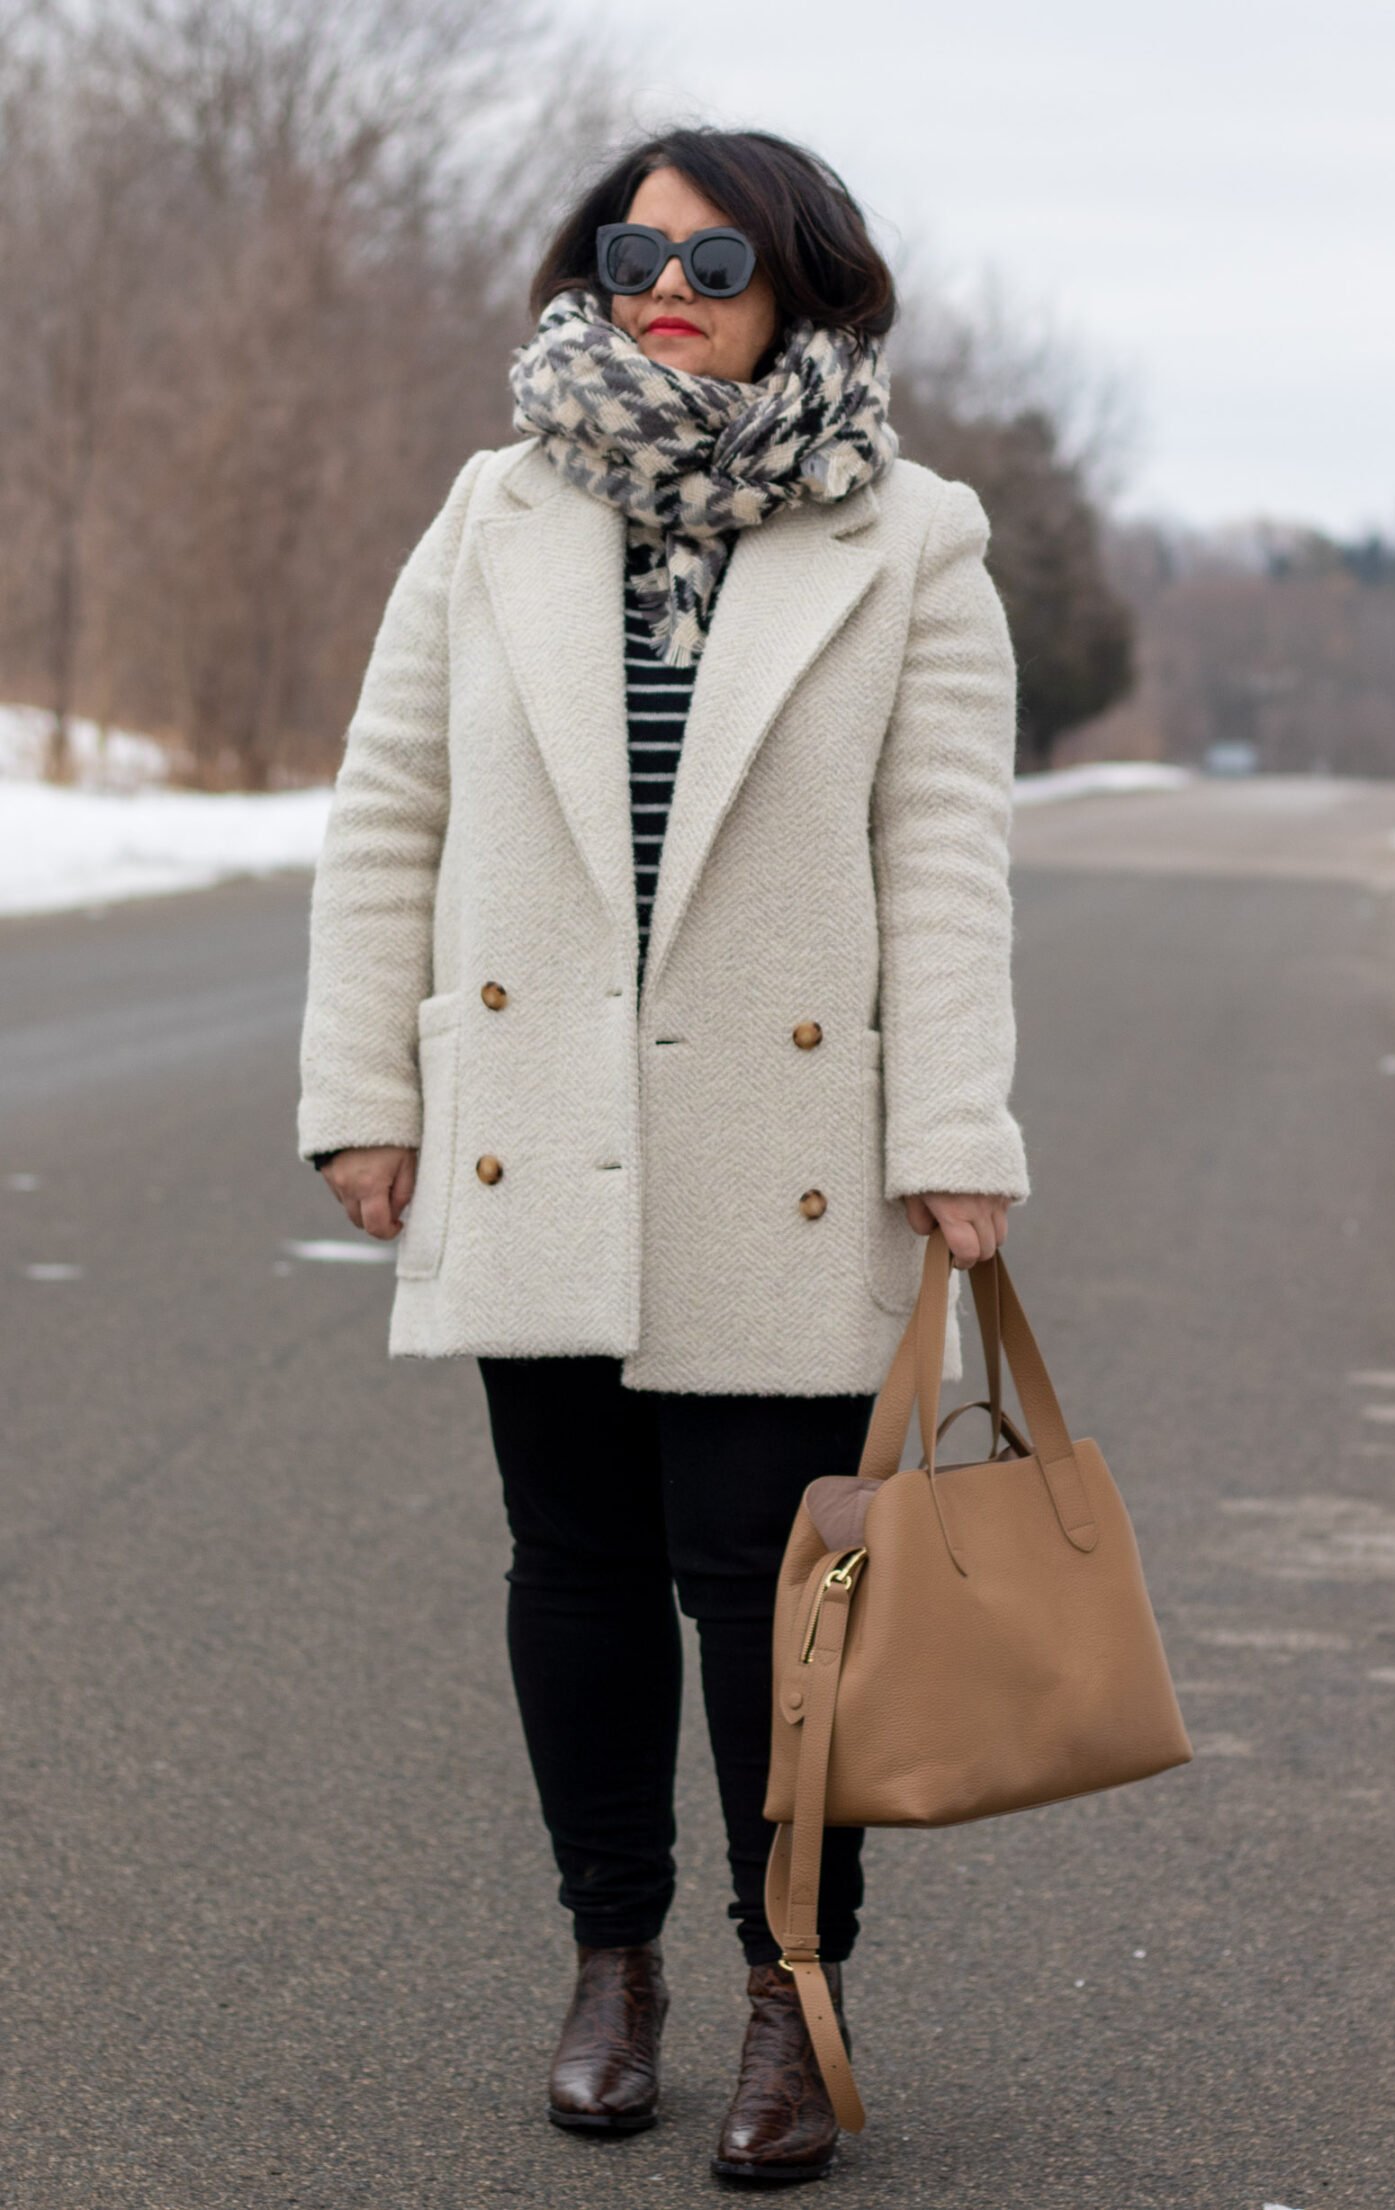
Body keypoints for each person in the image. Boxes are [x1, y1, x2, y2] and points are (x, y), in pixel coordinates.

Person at [298, 125, 1028, 2185]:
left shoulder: (916, 538)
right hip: (539, 1124)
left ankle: (789, 1984)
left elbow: (947, 859)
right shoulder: (494, 511)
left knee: (778, 1594)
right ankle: (608, 1958)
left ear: (803, 285)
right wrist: (369, 1091)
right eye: (636, 250)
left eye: (717, 257)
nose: (668, 284)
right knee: (582, 1570)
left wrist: (955, 1125)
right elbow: (390, 810)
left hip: (785, 1135)